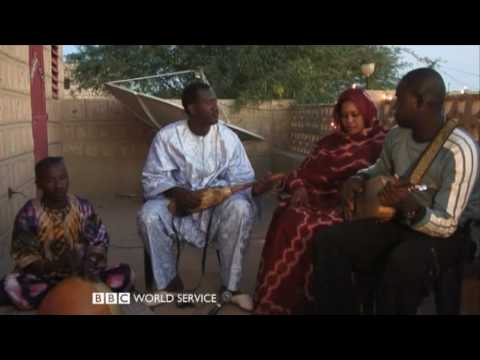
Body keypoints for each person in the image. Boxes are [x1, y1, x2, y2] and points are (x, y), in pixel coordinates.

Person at [312, 68, 480, 315]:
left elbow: (447, 224)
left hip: (446, 234)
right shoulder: (396, 136)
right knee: (328, 241)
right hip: (400, 220)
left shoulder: (459, 150)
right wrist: (358, 178)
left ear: (421, 102)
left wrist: (409, 206)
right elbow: (379, 168)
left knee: (401, 264)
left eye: (400, 100)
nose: (392, 108)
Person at [137, 81, 274, 311]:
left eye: (215, 101)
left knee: (241, 208)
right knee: (148, 215)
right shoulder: (167, 137)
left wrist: (257, 189)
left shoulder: (228, 138)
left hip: (216, 210)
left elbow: (242, 180)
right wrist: (177, 192)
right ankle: (168, 285)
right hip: (179, 206)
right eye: (208, 102)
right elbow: (151, 177)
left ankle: (231, 289)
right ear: (191, 108)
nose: (215, 106)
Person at [254, 88, 387, 314]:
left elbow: (377, 181)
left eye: (355, 115)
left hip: (350, 207)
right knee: (289, 216)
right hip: (316, 198)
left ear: (366, 113)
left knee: (316, 229)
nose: (349, 121)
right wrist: (298, 188)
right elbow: (302, 172)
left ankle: (315, 304)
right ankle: (278, 302)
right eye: (345, 115)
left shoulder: (379, 144)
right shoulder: (328, 142)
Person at [0, 157, 134, 310]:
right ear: (39, 184)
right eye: (50, 181)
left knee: (126, 273)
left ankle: (61, 298)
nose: (59, 186)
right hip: (46, 280)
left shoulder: (83, 207)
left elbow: (99, 241)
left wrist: (89, 262)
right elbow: (26, 257)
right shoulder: (29, 213)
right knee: (11, 284)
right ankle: (74, 296)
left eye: (62, 178)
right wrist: (56, 264)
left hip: (84, 276)